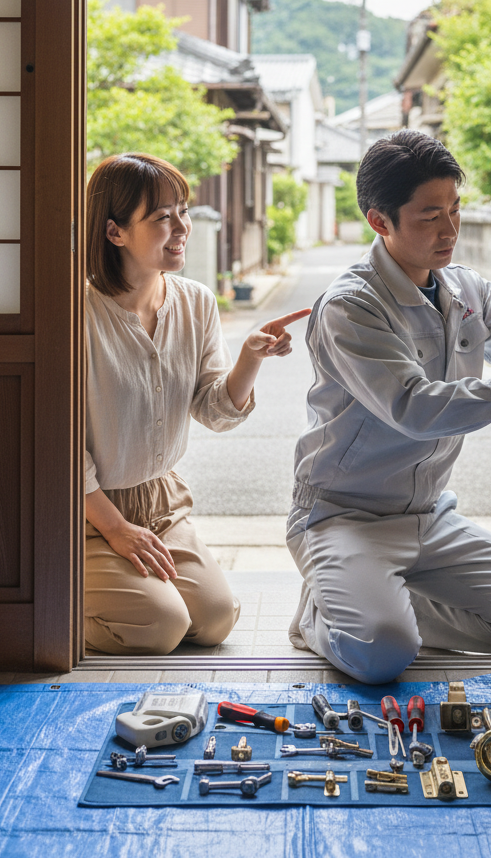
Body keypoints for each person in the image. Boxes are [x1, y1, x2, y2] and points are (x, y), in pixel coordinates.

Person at [287, 131, 491, 684]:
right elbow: (411, 406)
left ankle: (382, 609)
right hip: (343, 516)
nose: (450, 230)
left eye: (455, 209)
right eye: (430, 216)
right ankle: (324, 612)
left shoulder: (464, 288)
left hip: (429, 517)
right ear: (379, 221)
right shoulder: (350, 306)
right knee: (382, 658)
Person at [84, 152, 309, 655]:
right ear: (114, 232)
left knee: (214, 619)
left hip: (162, 503)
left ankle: (137, 593)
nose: (181, 226)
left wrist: (250, 357)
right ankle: (55, 596)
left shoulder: (195, 301)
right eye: (162, 216)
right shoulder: (77, 313)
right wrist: (117, 530)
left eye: (182, 210)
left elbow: (214, 411)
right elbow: (55, 445)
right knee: (160, 627)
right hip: (86, 514)